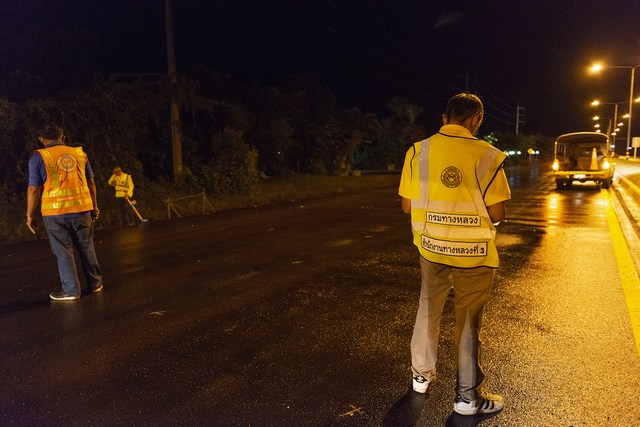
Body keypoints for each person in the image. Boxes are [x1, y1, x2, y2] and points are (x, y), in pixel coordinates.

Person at [398, 93, 511, 415]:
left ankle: (420, 377)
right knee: (468, 322)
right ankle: (467, 398)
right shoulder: (488, 155)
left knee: (428, 309)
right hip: (474, 255)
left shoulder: (417, 152)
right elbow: (498, 212)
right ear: (476, 119)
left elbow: (407, 206)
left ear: (444, 118)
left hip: (431, 249)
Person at [26, 124, 103, 301]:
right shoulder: (80, 154)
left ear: (41, 140)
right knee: (87, 247)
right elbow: (91, 183)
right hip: (82, 210)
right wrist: (94, 206)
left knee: (63, 251)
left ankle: (71, 290)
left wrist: (30, 215)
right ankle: (95, 283)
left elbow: (33, 189)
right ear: (63, 137)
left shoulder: (38, 158)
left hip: (55, 214)